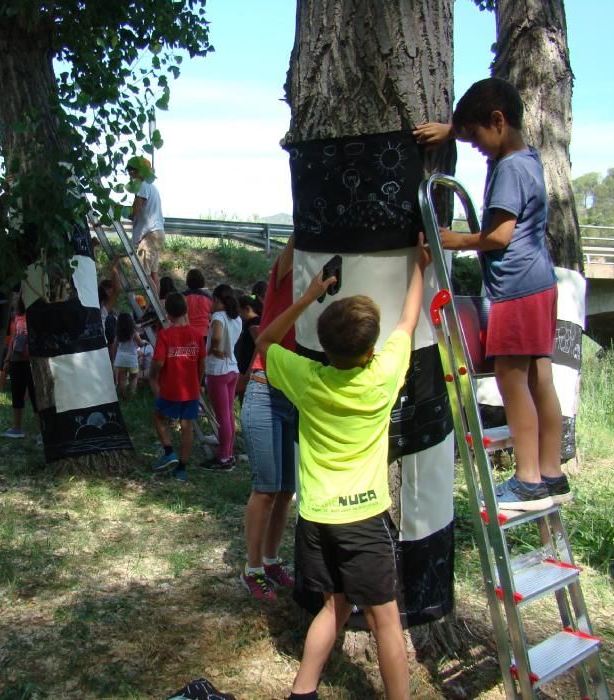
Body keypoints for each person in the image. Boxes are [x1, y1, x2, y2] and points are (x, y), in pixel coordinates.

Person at [257, 236, 430, 700]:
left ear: (324, 350)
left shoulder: (306, 379)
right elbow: (409, 321)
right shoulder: (382, 376)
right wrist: (420, 269)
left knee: (334, 605)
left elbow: (265, 340)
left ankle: (302, 690)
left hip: (316, 520)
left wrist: (309, 295)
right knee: (386, 621)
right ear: (370, 351)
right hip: (362, 520)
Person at [415, 77, 566, 511]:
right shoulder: (529, 158)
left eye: (477, 136)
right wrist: (453, 130)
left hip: (515, 290)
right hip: (540, 283)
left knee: (511, 380)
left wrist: (450, 239)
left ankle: (527, 478)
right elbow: (483, 120)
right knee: (541, 378)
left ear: (497, 122)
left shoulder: (508, 170)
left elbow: (499, 236)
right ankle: (552, 473)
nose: (476, 147)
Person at [240, 237, 297, 601]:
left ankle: (272, 560)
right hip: (264, 389)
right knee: (265, 488)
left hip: (294, 394)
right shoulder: (286, 276)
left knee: (285, 489)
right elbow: (298, 238)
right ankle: (253, 568)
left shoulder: (324, 281)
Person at [149, 292, 206, 482]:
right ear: (186, 310)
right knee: (187, 426)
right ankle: (182, 469)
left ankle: (169, 452)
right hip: (190, 389)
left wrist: (153, 376)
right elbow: (201, 362)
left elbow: (158, 362)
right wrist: (197, 383)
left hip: (171, 389)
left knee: (158, 417)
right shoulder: (197, 335)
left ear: (168, 313)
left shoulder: (165, 335)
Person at [202, 284, 242, 471]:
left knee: (223, 417)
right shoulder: (237, 319)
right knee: (228, 416)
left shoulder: (218, 316)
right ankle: (228, 453)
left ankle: (224, 458)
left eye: (212, 299)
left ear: (218, 300)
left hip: (218, 371)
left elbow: (216, 337)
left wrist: (212, 349)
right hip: (233, 369)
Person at [1, 299, 41, 441]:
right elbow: (12, 338)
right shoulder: (17, 316)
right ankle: (16, 428)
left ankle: (41, 432)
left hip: (33, 360)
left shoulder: (38, 313)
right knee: (17, 392)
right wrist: (7, 359)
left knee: (36, 395)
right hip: (16, 359)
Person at [127, 156, 165, 295]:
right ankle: (157, 307)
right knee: (153, 273)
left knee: (145, 275)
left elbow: (135, 208)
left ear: (140, 172)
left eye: (132, 172)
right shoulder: (152, 187)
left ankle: (154, 307)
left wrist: (124, 212)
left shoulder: (142, 186)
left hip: (149, 235)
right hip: (157, 233)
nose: (130, 175)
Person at [234, 293, 263, 401]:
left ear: (247, 309)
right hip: (245, 368)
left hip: (248, 370)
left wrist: (248, 372)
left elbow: (259, 347)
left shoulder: (254, 324)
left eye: (240, 311)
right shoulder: (252, 323)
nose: (239, 315)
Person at [113, 312, 147, 399]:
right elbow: (140, 344)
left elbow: (114, 347)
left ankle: (123, 396)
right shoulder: (133, 333)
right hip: (131, 359)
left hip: (120, 359)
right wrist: (144, 343)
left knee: (122, 378)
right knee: (134, 377)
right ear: (131, 322)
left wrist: (114, 358)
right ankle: (131, 396)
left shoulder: (118, 334)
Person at [182, 268, 213, 342]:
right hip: (205, 333)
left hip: (187, 332)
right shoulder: (209, 297)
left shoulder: (182, 297)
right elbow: (211, 315)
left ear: (188, 281)